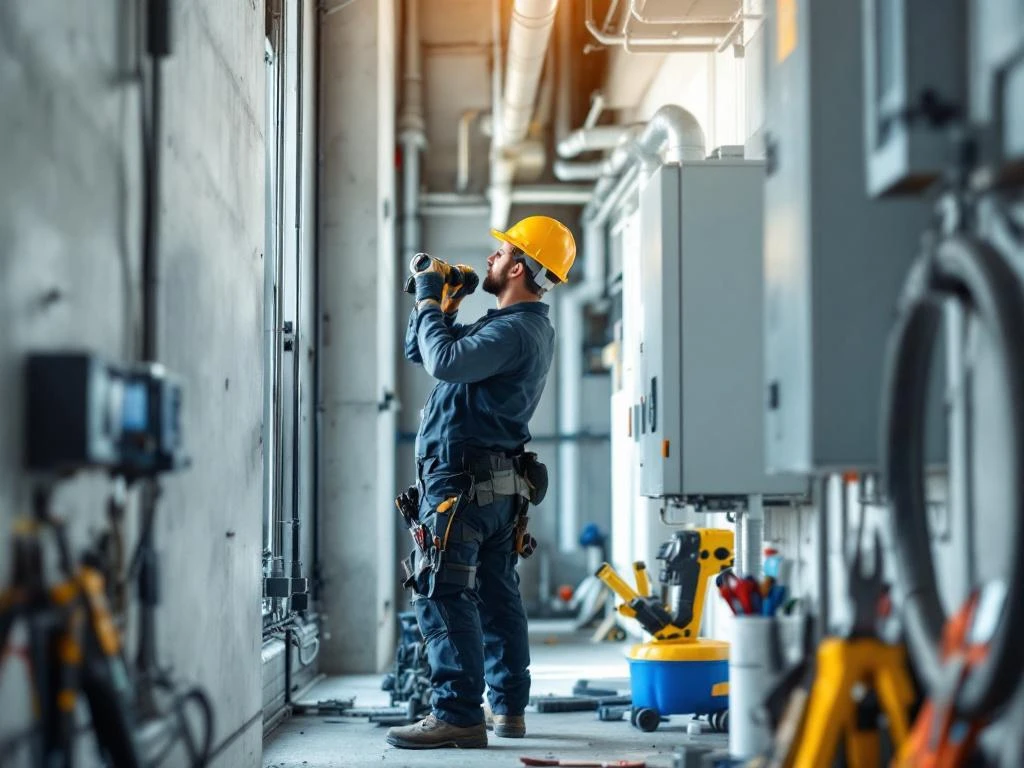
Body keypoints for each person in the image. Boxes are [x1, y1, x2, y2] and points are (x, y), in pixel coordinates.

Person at [386, 215, 576, 749]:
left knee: (442, 591)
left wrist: (427, 294)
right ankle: (507, 708)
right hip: (487, 486)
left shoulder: (514, 330)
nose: (490, 259)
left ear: (518, 266)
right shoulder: (510, 329)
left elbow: (444, 362)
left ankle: (458, 713)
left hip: (462, 486)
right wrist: (441, 305)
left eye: (500, 253)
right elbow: (422, 351)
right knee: (495, 597)